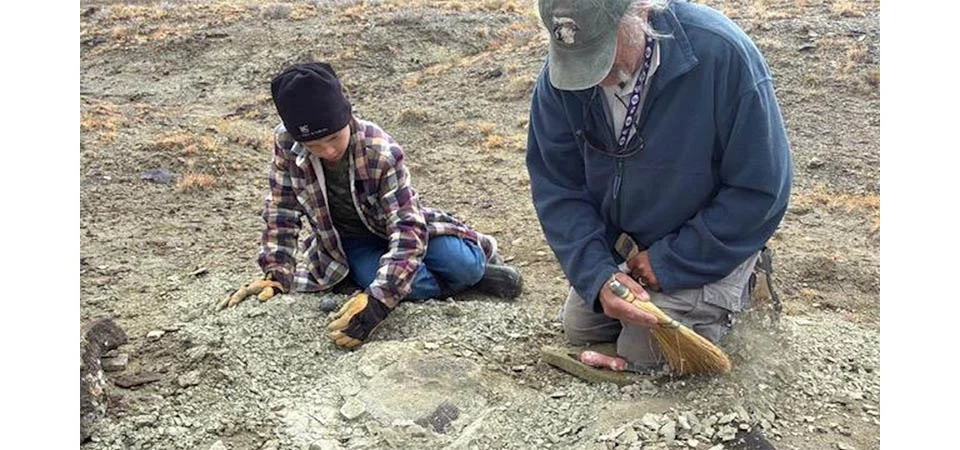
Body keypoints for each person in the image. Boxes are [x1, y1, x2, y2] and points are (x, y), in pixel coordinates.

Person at [527, 0, 792, 370]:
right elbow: (558, 188)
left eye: (601, 50)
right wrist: (597, 274)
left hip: (706, 239)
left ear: (640, 13)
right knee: (580, 328)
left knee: (645, 350)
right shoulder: (561, 78)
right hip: (629, 247)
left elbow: (763, 189)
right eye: (578, 56)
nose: (590, 74)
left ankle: (745, 281)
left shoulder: (722, 54)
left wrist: (672, 261)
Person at [224, 62, 524, 349]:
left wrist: (378, 303)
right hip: (348, 242)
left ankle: (472, 277)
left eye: (333, 138)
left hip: (395, 228)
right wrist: (277, 273)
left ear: (347, 118)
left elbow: (407, 226)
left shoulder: (380, 150)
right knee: (405, 283)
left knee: (465, 265)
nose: (327, 151)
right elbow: (282, 210)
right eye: (314, 146)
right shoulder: (287, 144)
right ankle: (456, 285)